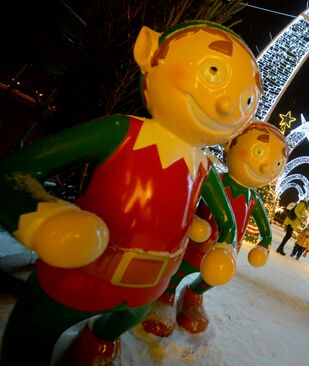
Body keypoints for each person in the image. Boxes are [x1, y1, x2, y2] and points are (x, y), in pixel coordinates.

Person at [0, 21, 262, 365]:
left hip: (148, 285)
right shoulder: (122, 132)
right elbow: (14, 173)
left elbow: (226, 219)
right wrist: (43, 219)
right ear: (148, 52)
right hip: (80, 272)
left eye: (247, 100)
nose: (228, 106)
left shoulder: (203, 167)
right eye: (213, 71)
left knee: (121, 322)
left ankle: (99, 340)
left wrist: (225, 246)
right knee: (33, 335)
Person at [141, 121, 289, 336]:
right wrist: (193, 220)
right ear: (230, 145)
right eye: (258, 152)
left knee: (212, 278)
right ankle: (165, 295)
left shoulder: (253, 199)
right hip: (197, 242)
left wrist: (264, 245)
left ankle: (194, 295)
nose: (266, 168)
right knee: (181, 268)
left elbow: (266, 231)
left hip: (227, 251)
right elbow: (189, 197)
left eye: (276, 164)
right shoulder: (216, 179)